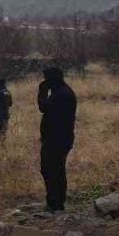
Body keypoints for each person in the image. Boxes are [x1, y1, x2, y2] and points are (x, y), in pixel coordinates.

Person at [38, 67, 77, 212]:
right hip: (59, 138)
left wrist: (41, 92)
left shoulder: (62, 94)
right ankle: (57, 202)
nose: (45, 82)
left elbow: (43, 107)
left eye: (47, 79)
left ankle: (54, 203)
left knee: (50, 170)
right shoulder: (61, 92)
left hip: (57, 139)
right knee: (56, 170)